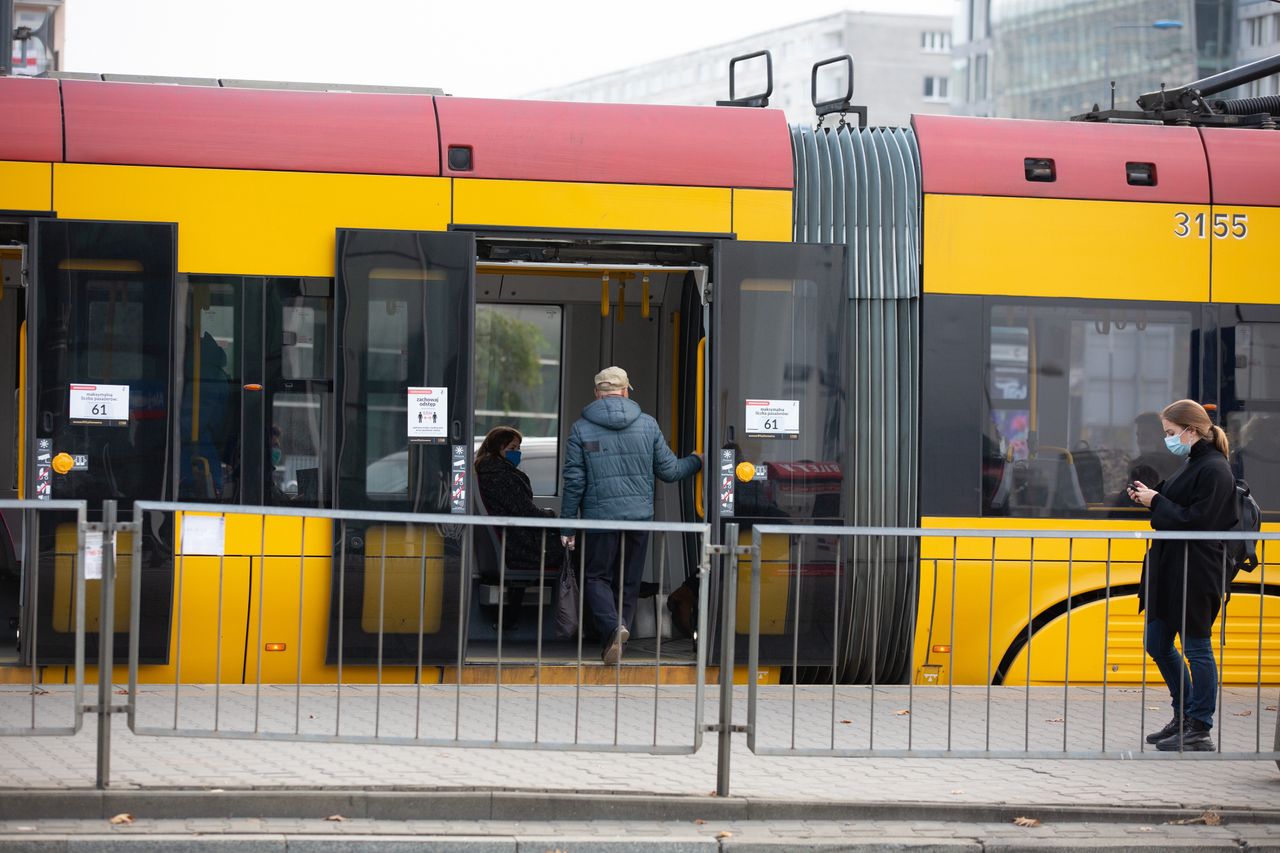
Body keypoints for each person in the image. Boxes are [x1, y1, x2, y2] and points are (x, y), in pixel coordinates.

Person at [560, 366, 702, 664]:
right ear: (625, 392)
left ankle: (613, 628)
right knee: (628, 580)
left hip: (600, 520)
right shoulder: (647, 425)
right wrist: (697, 461)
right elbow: (670, 470)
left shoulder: (581, 429)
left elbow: (574, 482)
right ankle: (619, 631)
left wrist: (567, 525)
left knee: (596, 576)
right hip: (639, 519)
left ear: (597, 394)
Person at [1126, 399, 1236, 752]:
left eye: (1171, 433)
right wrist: (1149, 497)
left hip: (1196, 571)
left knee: (1197, 648)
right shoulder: (1194, 463)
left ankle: (1199, 725)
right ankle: (1184, 714)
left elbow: (1198, 520)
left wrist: (1156, 502)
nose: (1168, 439)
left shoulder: (1215, 468)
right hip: (1171, 570)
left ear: (1191, 430)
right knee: (1157, 644)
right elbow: (1179, 508)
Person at [475, 426, 564, 629]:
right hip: (520, 545)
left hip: (511, 540)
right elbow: (527, 513)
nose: (517, 452)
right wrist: (550, 515)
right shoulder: (503, 477)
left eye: (518, 447)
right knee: (578, 553)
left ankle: (510, 619)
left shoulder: (487, 472)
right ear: (499, 447)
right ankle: (583, 625)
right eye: (513, 447)